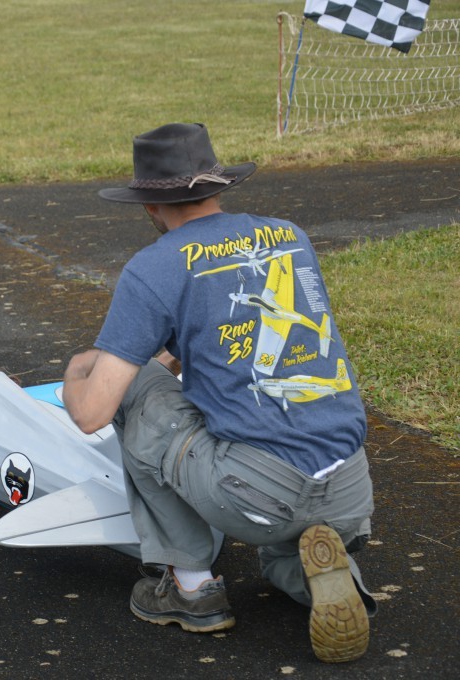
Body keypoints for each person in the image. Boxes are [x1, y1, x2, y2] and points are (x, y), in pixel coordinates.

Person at [62, 123, 376, 663]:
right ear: (218, 187)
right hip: (350, 484)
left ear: (148, 208)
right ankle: (322, 571)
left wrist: (76, 371)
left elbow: (93, 414)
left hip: (256, 492)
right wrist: (164, 356)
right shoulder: (287, 235)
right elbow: (236, 332)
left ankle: (190, 586)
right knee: (280, 559)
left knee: (135, 391)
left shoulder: (155, 266)